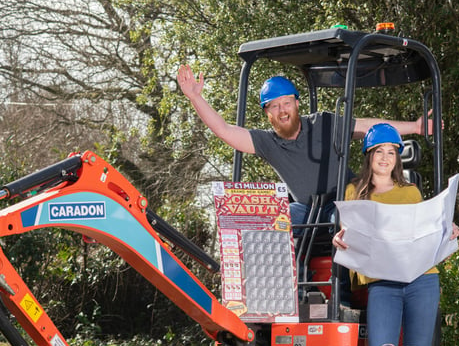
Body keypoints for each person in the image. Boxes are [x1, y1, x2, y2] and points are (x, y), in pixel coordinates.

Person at [176, 65, 436, 234]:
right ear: (267, 112)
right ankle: (284, 292)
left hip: (343, 201)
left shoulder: (323, 123)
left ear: (296, 104)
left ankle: (343, 292)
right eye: (274, 106)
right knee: (274, 220)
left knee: (343, 221)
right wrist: (196, 97)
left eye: (286, 103)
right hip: (306, 210)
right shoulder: (268, 142)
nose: (282, 110)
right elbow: (225, 131)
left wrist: (415, 126)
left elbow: (370, 127)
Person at [331, 123, 459, 346]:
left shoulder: (412, 193)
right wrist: (339, 239)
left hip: (421, 279)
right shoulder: (354, 193)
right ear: (369, 156)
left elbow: (425, 233)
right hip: (383, 284)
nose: (386, 158)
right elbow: (351, 237)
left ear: (397, 158)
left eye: (392, 152)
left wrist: (448, 231)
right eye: (379, 152)